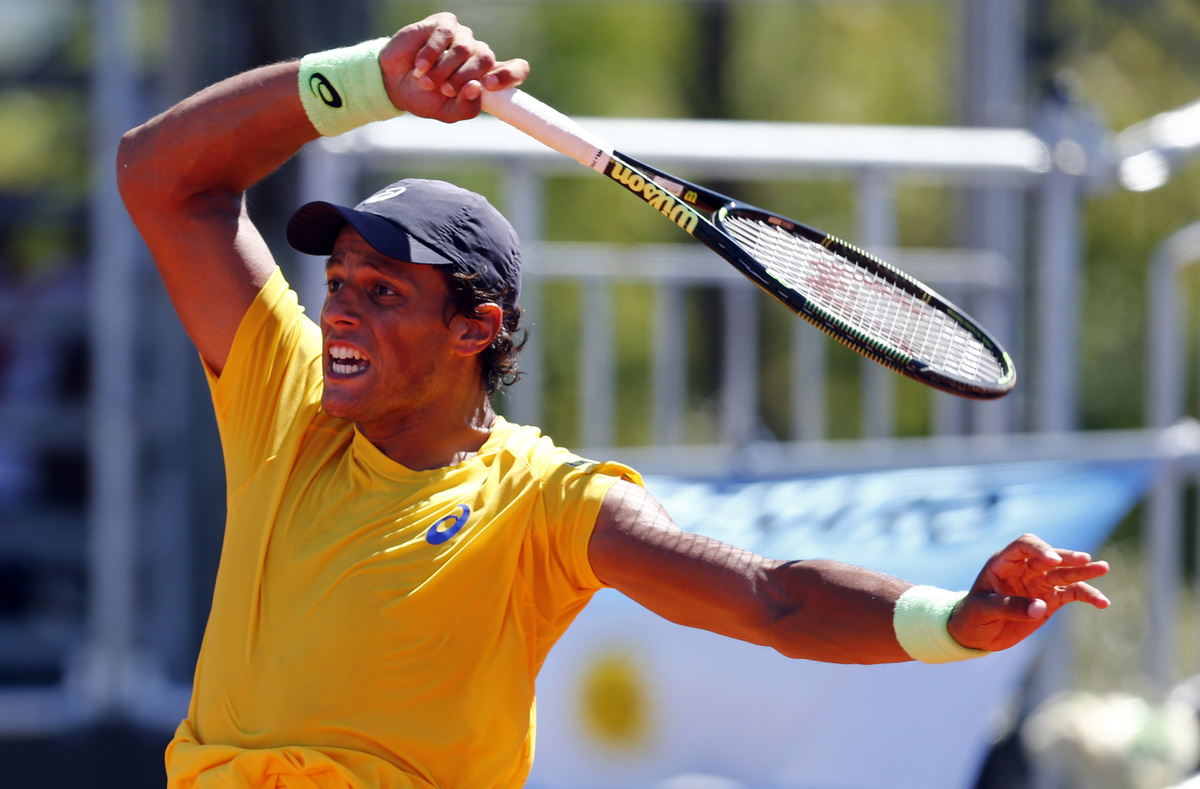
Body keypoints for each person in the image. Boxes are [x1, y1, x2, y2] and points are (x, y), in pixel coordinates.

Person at [117, 12, 1111, 789]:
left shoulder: (546, 502)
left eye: (382, 292)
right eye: (337, 283)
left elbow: (773, 597)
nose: (337, 311)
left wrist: (953, 620)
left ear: (474, 328)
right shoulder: (289, 400)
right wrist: (374, 78)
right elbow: (160, 177)